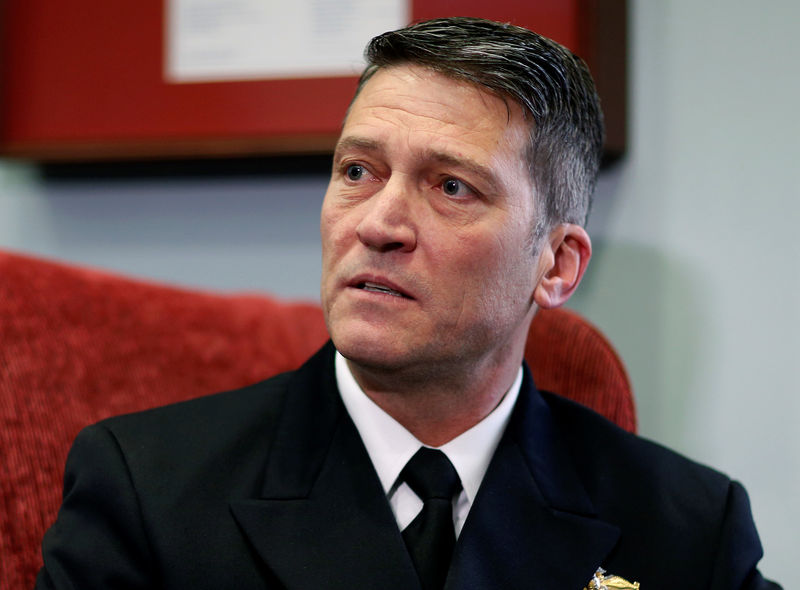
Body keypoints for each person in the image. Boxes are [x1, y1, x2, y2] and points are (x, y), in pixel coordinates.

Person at [36, 17, 779, 590]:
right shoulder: (145, 492)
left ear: (556, 264)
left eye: (451, 186)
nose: (378, 224)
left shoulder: (686, 527)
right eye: (357, 170)